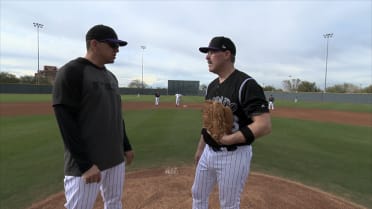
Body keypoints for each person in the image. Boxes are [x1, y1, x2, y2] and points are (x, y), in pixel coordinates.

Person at [52, 24, 134, 209]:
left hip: (115, 159)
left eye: (118, 46)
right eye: (113, 45)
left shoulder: (111, 77)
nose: (117, 50)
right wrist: (85, 164)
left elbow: (115, 115)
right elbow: (66, 122)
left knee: (114, 203)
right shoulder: (72, 71)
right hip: (87, 164)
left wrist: (126, 146)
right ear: (94, 44)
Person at [192, 36, 272, 209]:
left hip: (234, 155)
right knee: (198, 194)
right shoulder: (212, 86)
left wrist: (230, 139)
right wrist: (201, 149)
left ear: (227, 54)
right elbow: (208, 123)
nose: (207, 57)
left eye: (212, 52)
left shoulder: (246, 84)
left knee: (228, 204)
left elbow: (264, 125)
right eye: (207, 53)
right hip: (208, 152)